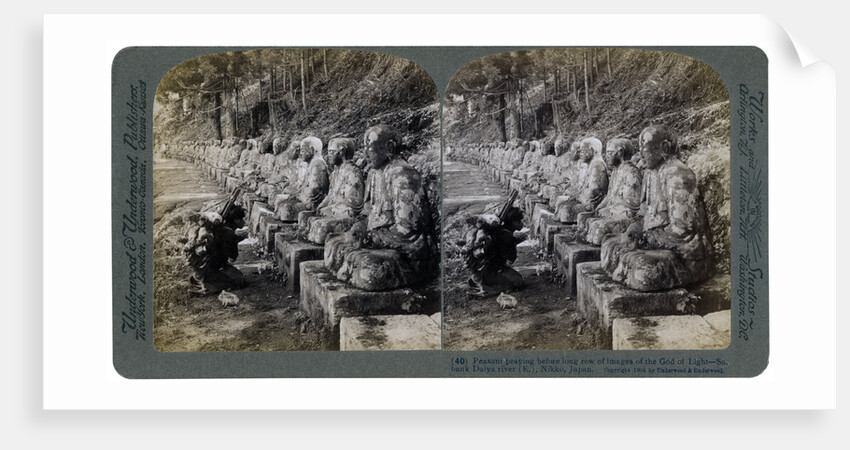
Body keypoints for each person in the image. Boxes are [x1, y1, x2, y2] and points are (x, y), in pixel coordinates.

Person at [323, 124, 437, 291]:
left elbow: (409, 231)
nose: (366, 154)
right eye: (364, 149)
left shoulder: (403, 175)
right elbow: (367, 212)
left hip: (408, 252)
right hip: (381, 240)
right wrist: (359, 227)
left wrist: (370, 238)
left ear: (389, 147)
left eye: (370, 148)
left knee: (368, 267)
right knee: (334, 243)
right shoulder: (373, 174)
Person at [601, 125, 713, 291]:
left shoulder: (678, 175)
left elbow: (684, 230)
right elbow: (643, 212)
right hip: (656, 241)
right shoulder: (649, 173)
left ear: (664, 148)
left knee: (642, 267)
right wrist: (634, 229)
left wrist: (646, 240)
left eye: (644, 149)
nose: (640, 155)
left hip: (684, 253)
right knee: (610, 244)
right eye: (639, 150)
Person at [298, 137, 366, 244]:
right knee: (305, 217)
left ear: (342, 152)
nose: (328, 155)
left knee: (320, 226)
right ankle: (306, 239)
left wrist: (332, 209)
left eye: (332, 152)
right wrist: (322, 205)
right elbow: (330, 195)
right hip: (333, 211)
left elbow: (354, 203)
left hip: (344, 214)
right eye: (329, 152)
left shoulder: (353, 172)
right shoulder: (335, 172)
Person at [580, 138, 643, 245]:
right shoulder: (615, 171)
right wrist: (601, 206)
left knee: (598, 228)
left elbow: (632, 207)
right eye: (606, 153)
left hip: (624, 215)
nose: (607, 156)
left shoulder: (631, 172)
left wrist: (611, 210)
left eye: (610, 153)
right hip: (613, 211)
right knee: (587, 220)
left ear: (620, 153)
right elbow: (610, 196)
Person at [185, 203, 248, 295]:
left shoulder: (221, 228)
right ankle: (208, 285)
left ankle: (201, 279)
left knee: (235, 274)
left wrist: (237, 238)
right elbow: (232, 257)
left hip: (205, 266)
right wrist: (235, 242)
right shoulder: (228, 233)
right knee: (240, 280)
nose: (246, 222)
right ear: (237, 220)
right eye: (244, 219)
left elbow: (219, 244)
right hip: (211, 268)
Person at [463, 207, 526, 296]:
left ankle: (479, 281)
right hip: (489, 270)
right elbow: (510, 257)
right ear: (514, 222)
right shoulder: (506, 235)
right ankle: (486, 287)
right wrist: (514, 243)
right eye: (520, 221)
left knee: (515, 277)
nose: (522, 224)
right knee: (518, 282)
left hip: (483, 269)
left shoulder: (501, 230)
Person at [554, 137, 609, 223]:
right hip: (585, 200)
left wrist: (578, 197)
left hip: (592, 205)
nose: (580, 154)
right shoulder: (591, 164)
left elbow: (594, 191)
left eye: (583, 151)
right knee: (562, 204)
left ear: (592, 150)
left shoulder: (598, 164)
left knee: (566, 210)